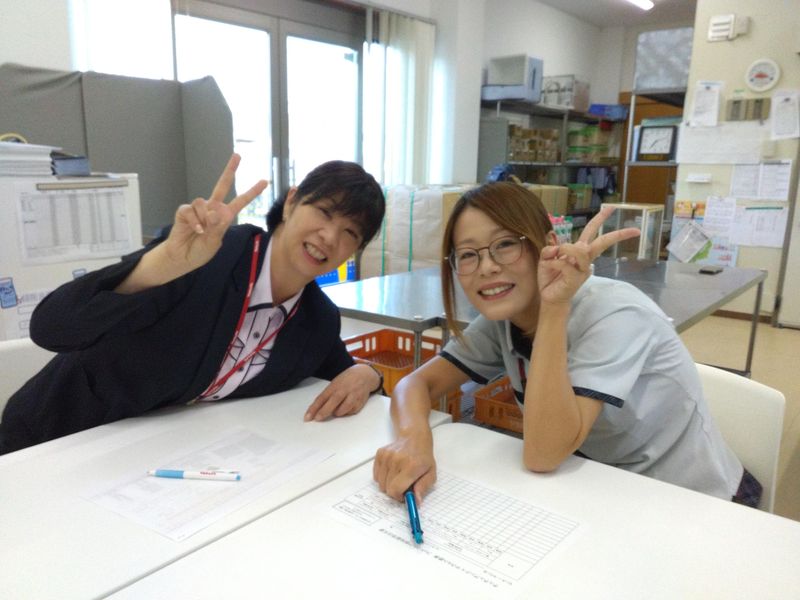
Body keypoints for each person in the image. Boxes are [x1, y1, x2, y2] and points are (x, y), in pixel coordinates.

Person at [373, 181, 761, 508]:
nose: (487, 266)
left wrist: (555, 307)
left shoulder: (615, 314)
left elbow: (543, 453)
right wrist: (413, 439)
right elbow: (414, 384)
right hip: (600, 484)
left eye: (505, 244)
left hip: (693, 499)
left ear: (549, 245)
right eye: (468, 255)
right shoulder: (504, 322)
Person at [0, 154, 386, 454]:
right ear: (290, 203)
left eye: (350, 233)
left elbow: (343, 373)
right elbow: (50, 327)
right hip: (50, 440)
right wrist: (163, 263)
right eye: (323, 212)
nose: (329, 236)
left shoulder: (317, 318)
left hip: (146, 459)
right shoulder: (208, 256)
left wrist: (369, 375)